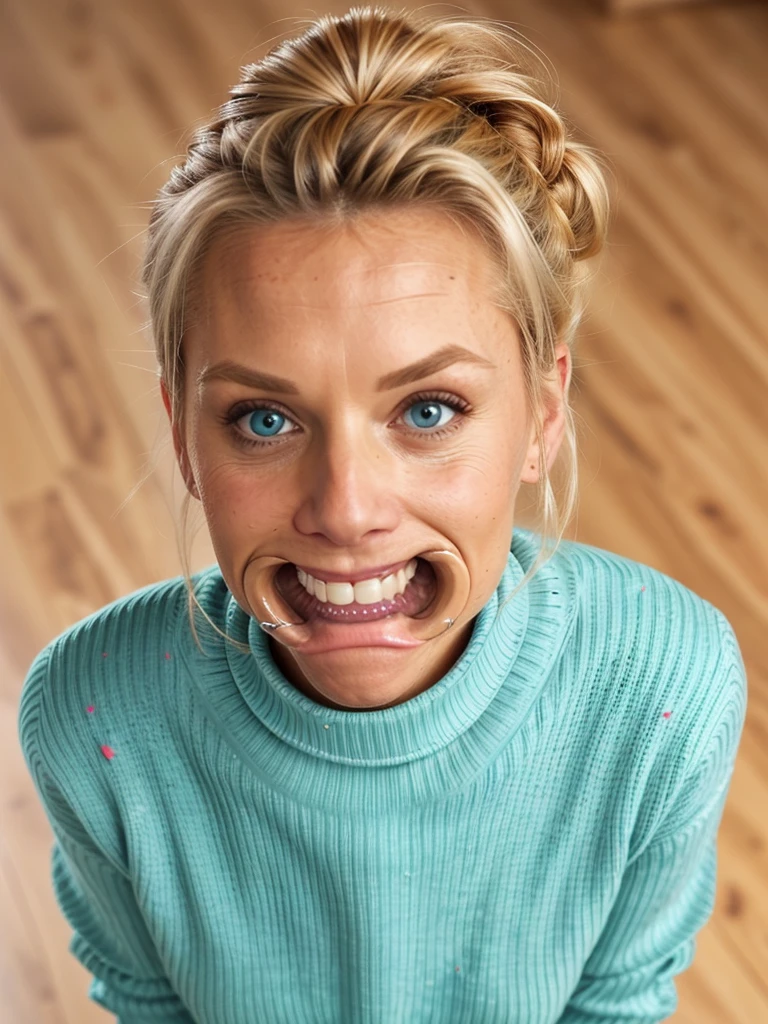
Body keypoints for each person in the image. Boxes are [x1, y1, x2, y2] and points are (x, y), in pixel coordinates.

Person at [17, 6, 747, 1023]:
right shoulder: (97, 715)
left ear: (541, 415)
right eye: (264, 417)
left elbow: (617, 1002)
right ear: (183, 434)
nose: (346, 509)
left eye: (428, 409)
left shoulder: (665, 684)